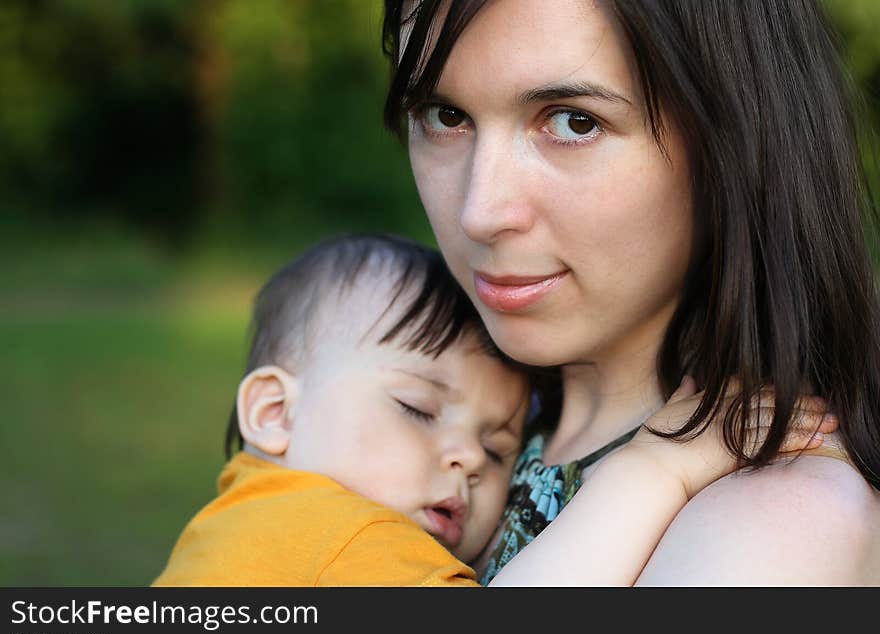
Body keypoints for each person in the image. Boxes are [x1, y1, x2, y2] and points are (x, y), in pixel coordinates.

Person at [382, 0, 880, 585]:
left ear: (736, 142)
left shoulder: (776, 523)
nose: (481, 213)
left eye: (574, 121)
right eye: (444, 115)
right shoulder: (408, 405)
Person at [152, 233, 831, 586]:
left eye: (501, 448)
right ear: (273, 411)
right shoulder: (341, 538)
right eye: (418, 409)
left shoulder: (243, 524)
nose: (469, 459)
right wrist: (654, 469)